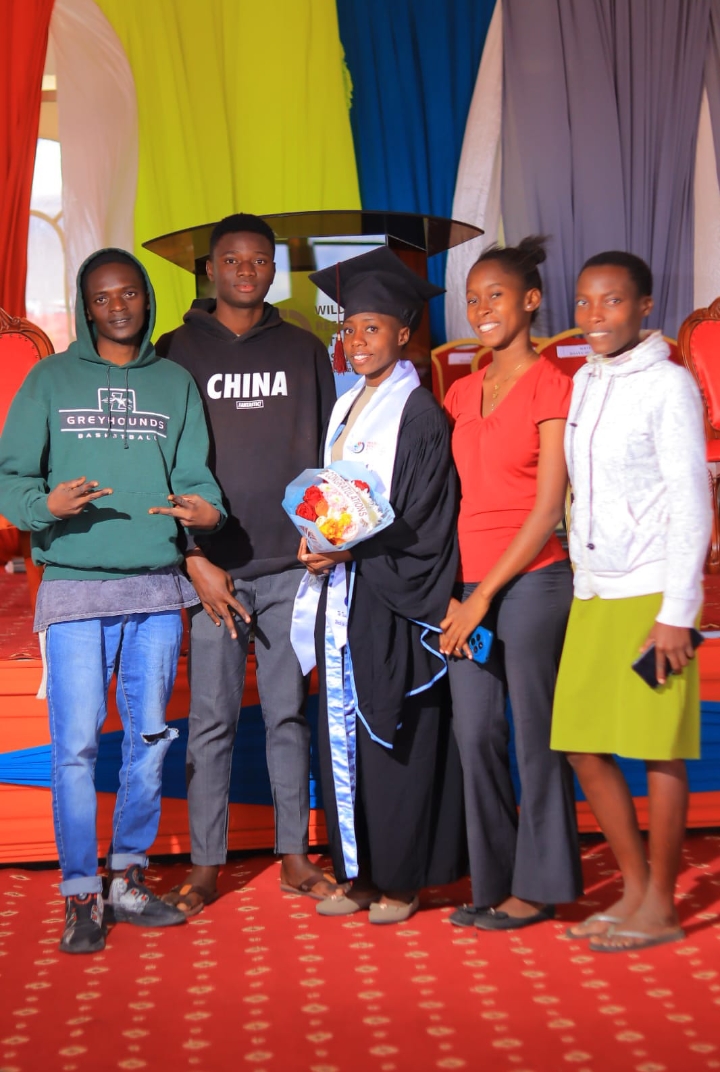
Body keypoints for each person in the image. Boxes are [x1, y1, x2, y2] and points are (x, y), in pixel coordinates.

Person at [0, 249, 226, 954]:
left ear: (145, 297)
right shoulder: (48, 379)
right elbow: (12, 480)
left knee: (149, 739)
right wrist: (46, 505)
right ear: (86, 305)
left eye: (129, 293)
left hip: (156, 587)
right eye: (103, 298)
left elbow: (198, 475)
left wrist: (206, 512)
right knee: (73, 748)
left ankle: (127, 878)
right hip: (72, 586)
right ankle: (79, 893)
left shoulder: (175, 383)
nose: (118, 306)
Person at [155, 213, 337, 914]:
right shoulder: (175, 352)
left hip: (291, 567)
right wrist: (192, 559)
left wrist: (324, 534)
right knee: (211, 720)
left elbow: (328, 452)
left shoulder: (303, 347)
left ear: (273, 269)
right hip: (214, 574)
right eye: (233, 260)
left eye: (260, 260)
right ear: (210, 269)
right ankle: (206, 865)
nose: (246, 270)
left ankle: (294, 854)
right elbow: (160, 464)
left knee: (289, 714)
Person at [295, 246, 466, 924]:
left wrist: (346, 551)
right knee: (344, 727)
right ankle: (359, 873)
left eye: (372, 328)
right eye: (349, 328)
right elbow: (329, 499)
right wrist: (314, 540)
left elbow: (426, 517)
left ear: (403, 333)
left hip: (394, 594)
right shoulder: (346, 408)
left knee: (392, 731)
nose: (357, 340)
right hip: (345, 590)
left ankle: (401, 880)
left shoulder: (419, 413)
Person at [551, 251, 711, 952]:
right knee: (583, 745)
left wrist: (679, 610)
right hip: (595, 591)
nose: (594, 317)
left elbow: (692, 501)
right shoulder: (584, 380)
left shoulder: (670, 385)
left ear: (644, 306)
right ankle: (637, 889)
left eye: (610, 303)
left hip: (654, 594)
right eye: (585, 303)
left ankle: (662, 908)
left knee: (658, 751)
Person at [440, 237, 583, 932]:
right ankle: (493, 880)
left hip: (531, 581)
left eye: (496, 294)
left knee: (535, 737)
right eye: (473, 298)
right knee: (474, 735)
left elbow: (547, 507)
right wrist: (452, 591)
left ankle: (541, 885)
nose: (483, 308)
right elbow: (443, 501)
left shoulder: (556, 386)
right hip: (466, 587)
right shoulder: (461, 391)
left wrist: (481, 596)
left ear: (530, 300)